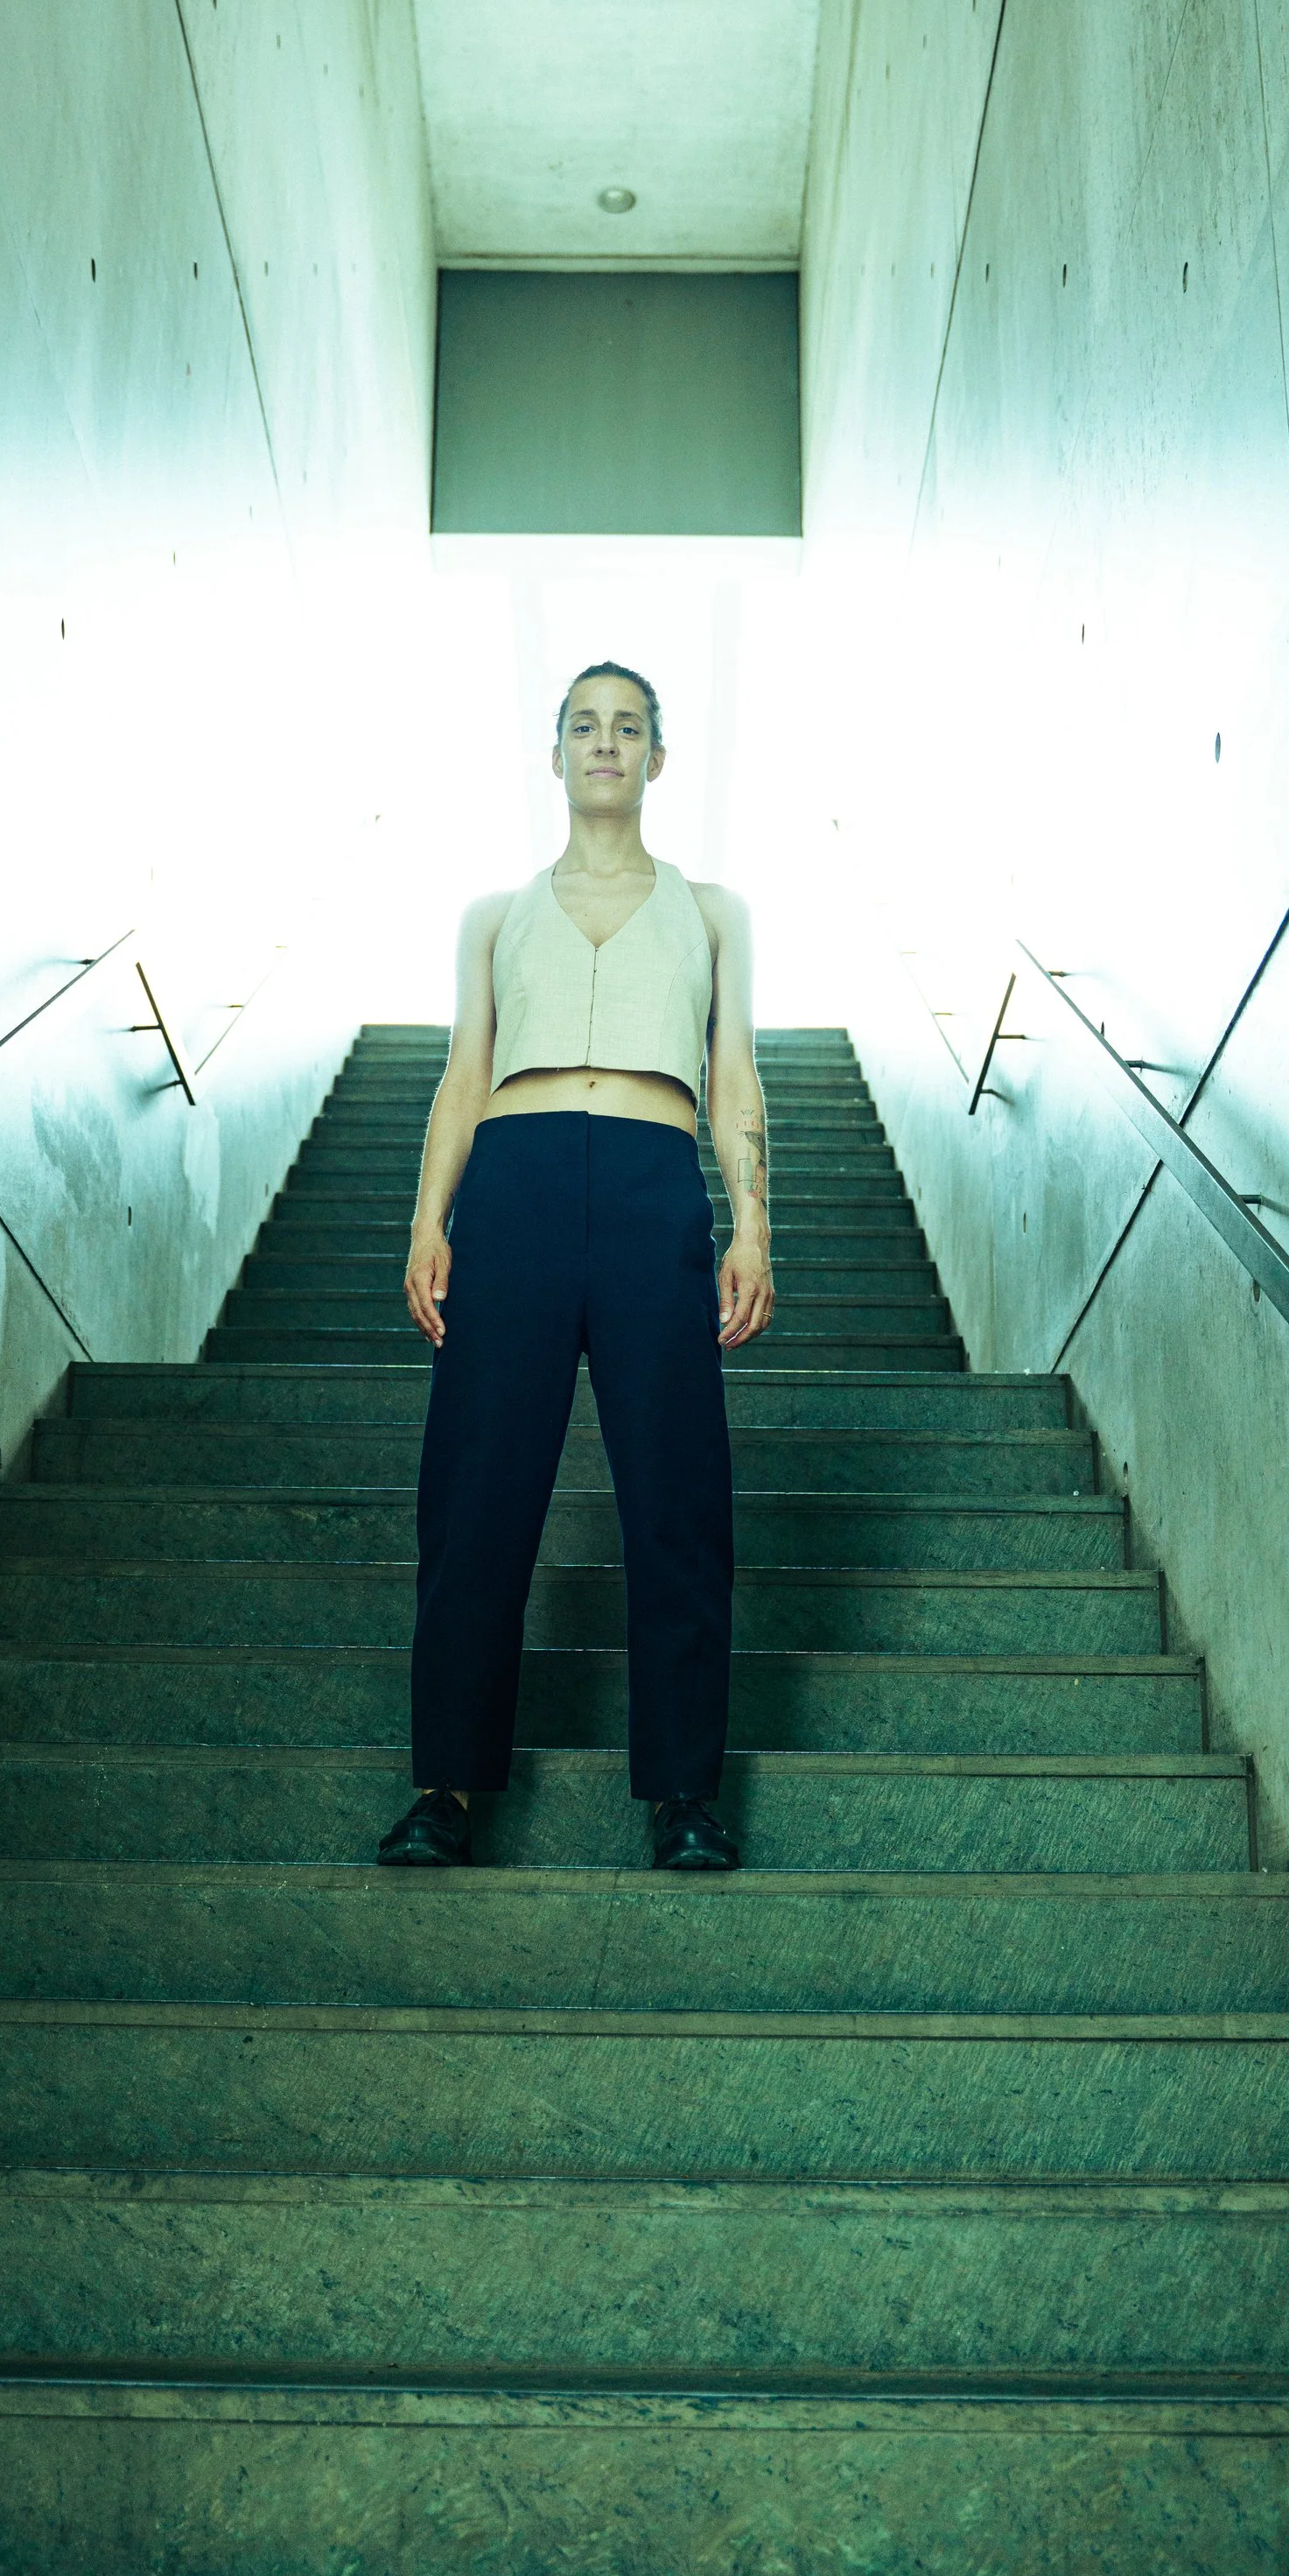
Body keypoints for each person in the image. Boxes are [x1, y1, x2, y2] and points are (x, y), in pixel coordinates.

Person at [374, 660, 774, 1874]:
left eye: (630, 726)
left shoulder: (714, 912)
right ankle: (446, 1788)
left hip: (656, 1187)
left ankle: (685, 1797)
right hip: (517, 1182)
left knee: (679, 1496)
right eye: (585, 725)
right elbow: (462, 1072)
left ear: (659, 759)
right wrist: (426, 1220)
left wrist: (751, 1222)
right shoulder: (493, 918)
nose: (607, 742)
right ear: (554, 755)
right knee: (477, 1491)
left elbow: (735, 1074)